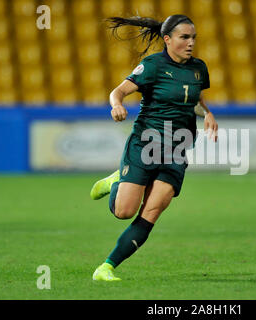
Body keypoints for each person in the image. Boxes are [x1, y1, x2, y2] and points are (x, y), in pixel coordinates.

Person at [90, 14, 219, 281]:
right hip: (146, 143)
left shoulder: (199, 68)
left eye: (193, 37)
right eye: (184, 37)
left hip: (177, 149)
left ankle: (106, 267)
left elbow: (192, 96)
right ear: (168, 39)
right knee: (123, 212)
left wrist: (206, 112)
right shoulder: (153, 65)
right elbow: (119, 91)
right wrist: (116, 105)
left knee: (152, 211)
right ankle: (116, 180)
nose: (191, 42)